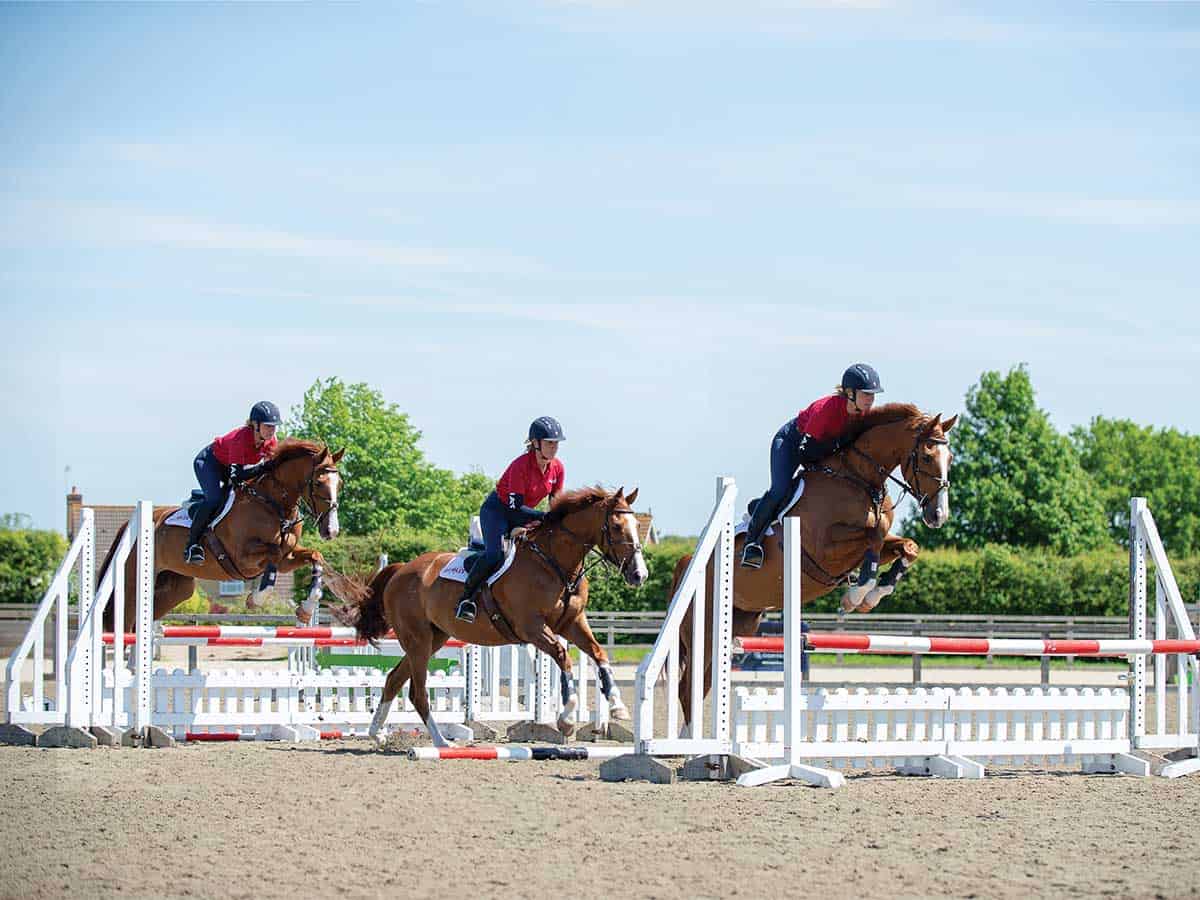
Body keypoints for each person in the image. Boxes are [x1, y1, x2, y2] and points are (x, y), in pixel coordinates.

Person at [740, 364, 883, 569]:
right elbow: (805, 452)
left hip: (818, 449)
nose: (871, 399)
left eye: (873, 395)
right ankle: (752, 543)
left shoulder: (863, 415)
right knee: (780, 489)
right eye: (866, 394)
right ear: (850, 393)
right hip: (791, 444)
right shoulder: (825, 410)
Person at [455, 417, 566, 623]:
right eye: (549, 443)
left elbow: (555, 505)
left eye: (556, 443)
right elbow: (515, 507)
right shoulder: (520, 465)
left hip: (524, 513)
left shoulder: (557, 468)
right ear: (535, 443)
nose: (554, 448)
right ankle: (466, 599)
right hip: (497, 511)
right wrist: (544, 518)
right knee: (495, 554)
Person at [184, 401, 281, 564]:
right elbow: (237, 477)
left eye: (274, 427)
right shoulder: (241, 438)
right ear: (255, 425)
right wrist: (263, 467)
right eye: (268, 426)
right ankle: (192, 545)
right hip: (209, 463)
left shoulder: (271, 442)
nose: (272, 431)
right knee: (214, 499)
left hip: (229, 467)